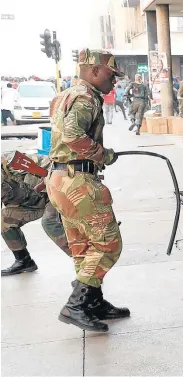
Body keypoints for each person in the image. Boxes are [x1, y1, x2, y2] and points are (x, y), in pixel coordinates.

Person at [47, 48, 129, 333]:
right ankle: (76, 305)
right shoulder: (85, 98)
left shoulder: (66, 95)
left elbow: (58, 137)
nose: (114, 81)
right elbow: (71, 136)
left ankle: (93, 302)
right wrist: (102, 154)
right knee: (108, 244)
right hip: (78, 180)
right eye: (111, 74)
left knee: (84, 247)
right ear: (94, 70)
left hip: (61, 178)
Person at [1, 152, 71, 276]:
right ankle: (24, 261)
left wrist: (45, 182)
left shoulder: (13, 161)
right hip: (32, 206)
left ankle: (86, 265)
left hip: (53, 194)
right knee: (3, 220)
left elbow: (56, 167)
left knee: (49, 223)